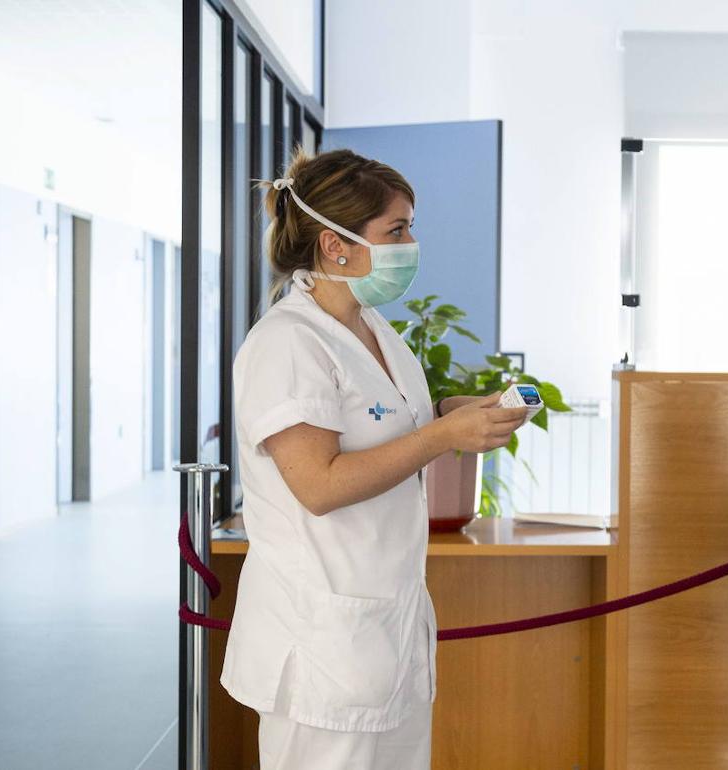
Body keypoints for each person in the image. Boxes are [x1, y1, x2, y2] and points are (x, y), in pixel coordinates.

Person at [221, 148, 526, 769]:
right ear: (336, 246)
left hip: (385, 631)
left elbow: (379, 425)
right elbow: (319, 485)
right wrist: (443, 438)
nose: (411, 242)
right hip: (323, 642)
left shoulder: (371, 327)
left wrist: (449, 412)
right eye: (397, 229)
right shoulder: (287, 343)